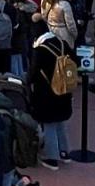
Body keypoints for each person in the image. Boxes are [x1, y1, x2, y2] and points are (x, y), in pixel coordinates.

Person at [30, 30, 76, 169]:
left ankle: (51, 157)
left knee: (49, 123)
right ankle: (65, 152)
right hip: (64, 91)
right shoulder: (63, 44)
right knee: (60, 123)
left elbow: (33, 73)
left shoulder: (40, 50)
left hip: (46, 93)